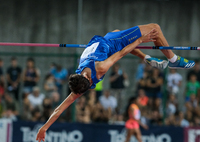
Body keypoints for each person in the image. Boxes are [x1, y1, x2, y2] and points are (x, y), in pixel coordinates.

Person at [36, 24, 194, 142]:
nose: (91, 85)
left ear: (84, 77)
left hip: (110, 44)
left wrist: (140, 40)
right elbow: (59, 109)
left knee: (147, 29)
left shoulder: (94, 70)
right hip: (107, 43)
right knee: (137, 30)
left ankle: (159, 59)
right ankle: (160, 59)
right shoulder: (86, 78)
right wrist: (44, 127)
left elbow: (122, 52)